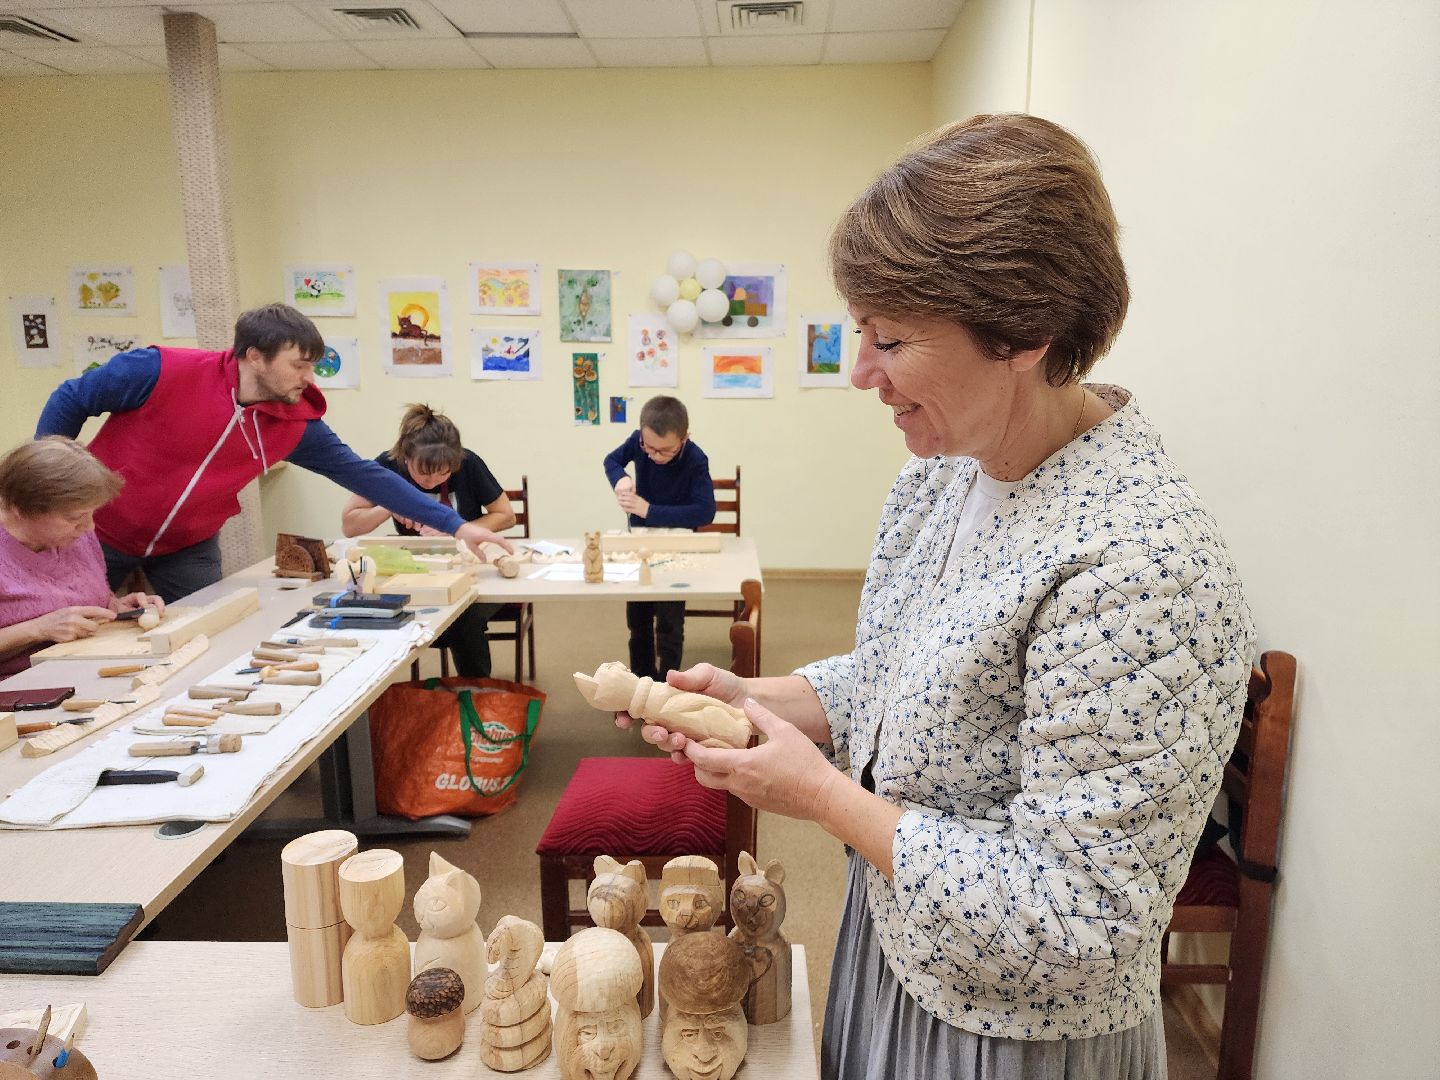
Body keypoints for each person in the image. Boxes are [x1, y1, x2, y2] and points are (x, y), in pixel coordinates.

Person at [625, 114, 1257, 1079]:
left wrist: (821, 797)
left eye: (891, 339)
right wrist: (760, 700)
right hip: (898, 948)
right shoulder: (943, 477)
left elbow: (1078, 914)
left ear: (1024, 332)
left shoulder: (1144, 564)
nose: (857, 369)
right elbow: (896, 673)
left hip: (1019, 1030)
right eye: (858, 329)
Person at [35, 303, 511, 603]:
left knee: (207, 641)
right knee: (69, 633)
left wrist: (458, 525)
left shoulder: (296, 424)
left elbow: (368, 477)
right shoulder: (160, 370)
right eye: (298, 365)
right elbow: (71, 399)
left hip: (188, 546)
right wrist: (51, 485)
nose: (308, 378)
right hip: (101, 531)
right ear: (254, 356)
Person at [340, 404, 515, 678]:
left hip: (470, 564)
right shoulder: (387, 466)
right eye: (424, 473)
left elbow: (505, 515)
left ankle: (474, 694)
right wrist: (391, 502)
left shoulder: (469, 463)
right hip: (415, 570)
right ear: (406, 458)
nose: (433, 481)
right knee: (380, 613)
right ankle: (396, 696)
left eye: (443, 473)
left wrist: (461, 529)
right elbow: (350, 525)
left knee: (466, 618)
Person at [0, 437, 164, 677]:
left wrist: (117, 608)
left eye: (91, 514)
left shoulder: (77, 536)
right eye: (74, 517)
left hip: (88, 669)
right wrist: (37, 629)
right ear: (20, 509)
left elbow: (90, 596)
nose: (89, 527)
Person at [603, 395, 715, 681]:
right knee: (637, 622)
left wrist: (648, 510)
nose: (653, 456)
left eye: (664, 451)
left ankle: (669, 683)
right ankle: (642, 681)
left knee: (670, 624)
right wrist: (620, 479)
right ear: (641, 435)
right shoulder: (639, 441)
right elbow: (611, 460)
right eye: (648, 447)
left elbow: (704, 511)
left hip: (678, 548)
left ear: (684, 438)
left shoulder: (695, 458)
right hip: (640, 542)